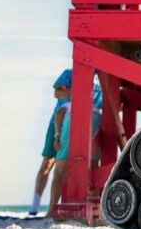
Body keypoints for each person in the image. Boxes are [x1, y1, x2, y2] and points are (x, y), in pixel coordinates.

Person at [48, 73, 104, 212]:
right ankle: (96, 209)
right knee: (92, 169)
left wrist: (57, 136)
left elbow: (58, 112)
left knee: (60, 171)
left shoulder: (75, 76)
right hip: (95, 116)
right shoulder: (102, 78)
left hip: (75, 115)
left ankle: (51, 209)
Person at [29, 69, 72, 215]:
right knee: (47, 163)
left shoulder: (99, 80)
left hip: (75, 125)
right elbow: (57, 93)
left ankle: (52, 209)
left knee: (64, 168)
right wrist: (76, 92)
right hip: (57, 123)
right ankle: (35, 205)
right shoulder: (69, 72)